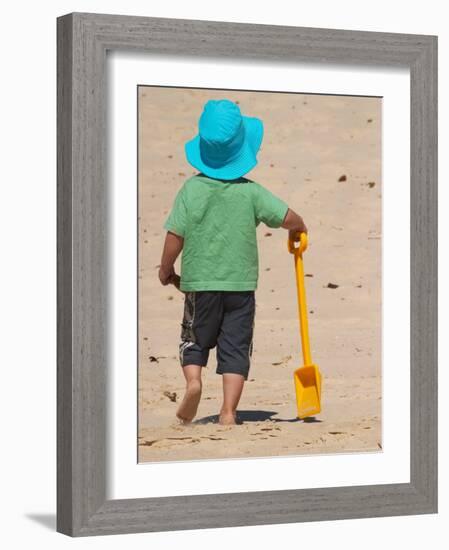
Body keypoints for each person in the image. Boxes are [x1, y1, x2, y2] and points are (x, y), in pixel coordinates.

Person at [158, 99, 307, 425]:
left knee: (194, 339)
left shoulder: (191, 190)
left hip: (200, 285)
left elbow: (175, 236)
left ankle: (194, 381)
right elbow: (285, 215)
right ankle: (228, 412)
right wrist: (299, 226)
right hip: (240, 287)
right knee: (236, 348)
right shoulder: (252, 193)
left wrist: (166, 269)